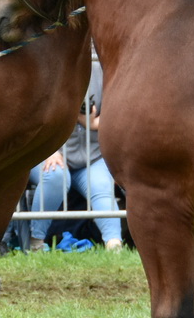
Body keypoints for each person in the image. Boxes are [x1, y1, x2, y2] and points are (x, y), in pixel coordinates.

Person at [27, 64, 124, 252]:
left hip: (93, 156)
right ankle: (35, 243)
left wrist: (95, 123)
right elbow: (28, 116)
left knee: (102, 186)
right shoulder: (48, 63)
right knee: (55, 176)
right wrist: (49, 149)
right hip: (47, 152)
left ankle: (115, 246)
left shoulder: (103, 64)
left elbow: (125, 113)